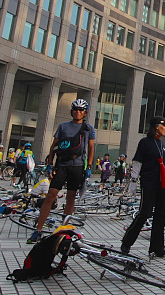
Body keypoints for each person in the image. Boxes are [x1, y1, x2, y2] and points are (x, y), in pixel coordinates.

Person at [28, 98, 95, 244]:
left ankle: (64, 229)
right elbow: (53, 146)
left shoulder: (88, 128)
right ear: (71, 111)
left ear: (85, 113)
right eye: (75, 109)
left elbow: (90, 149)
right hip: (62, 165)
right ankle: (38, 229)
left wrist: (89, 166)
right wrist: (50, 164)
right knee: (51, 194)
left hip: (77, 166)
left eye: (81, 110)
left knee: (71, 196)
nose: (78, 112)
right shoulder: (63, 126)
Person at [121, 115, 165, 257]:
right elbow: (138, 162)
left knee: (161, 215)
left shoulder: (161, 144)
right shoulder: (144, 142)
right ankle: (126, 242)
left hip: (162, 183)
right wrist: (133, 182)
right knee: (144, 213)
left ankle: (157, 247)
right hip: (149, 182)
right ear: (157, 127)